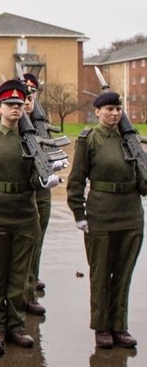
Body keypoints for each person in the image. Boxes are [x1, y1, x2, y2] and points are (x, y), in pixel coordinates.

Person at [0, 80, 59, 348]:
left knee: (20, 275)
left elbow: (34, 177)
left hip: (25, 213)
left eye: (19, 105)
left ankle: (16, 325)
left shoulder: (31, 141)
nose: (16, 109)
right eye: (10, 105)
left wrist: (44, 180)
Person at [67, 91, 146, 349]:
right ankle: (102, 328)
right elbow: (76, 180)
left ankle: (119, 326)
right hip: (101, 213)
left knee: (123, 275)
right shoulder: (89, 140)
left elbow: (142, 183)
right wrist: (79, 214)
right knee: (101, 274)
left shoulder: (130, 139)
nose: (115, 113)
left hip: (131, 214)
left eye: (118, 109)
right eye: (109, 109)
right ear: (98, 112)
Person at [21, 75, 48, 316]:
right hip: (21, 196)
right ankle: (23, 292)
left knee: (36, 243)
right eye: (24, 97)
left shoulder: (41, 122)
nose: (27, 102)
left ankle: (31, 284)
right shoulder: (15, 125)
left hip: (42, 191)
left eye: (31, 97)